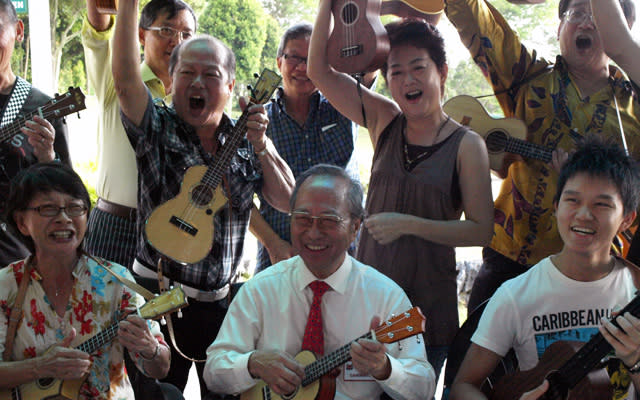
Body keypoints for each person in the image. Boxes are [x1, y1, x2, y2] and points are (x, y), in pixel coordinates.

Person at [111, 0, 295, 396]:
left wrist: (261, 144)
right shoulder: (157, 127)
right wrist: (128, 6)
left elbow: (287, 199)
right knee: (157, 393)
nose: (197, 83)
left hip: (220, 304)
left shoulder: (247, 141)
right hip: (156, 296)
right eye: (187, 73)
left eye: (210, 75)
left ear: (230, 87)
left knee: (225, 392)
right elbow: (126, 80)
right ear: (171, 81)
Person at [307, 8, 494, 383]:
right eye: (396, 71)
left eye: (418, 67)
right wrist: (327, 5)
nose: (407, 79)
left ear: (441, 72)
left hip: (425, 312)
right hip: (365, 303)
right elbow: (319, 72)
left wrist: (408, 225)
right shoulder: (384, 119)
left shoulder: (467, 145)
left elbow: (480, 230)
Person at [445, 0, 640, 315]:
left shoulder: (634, 108)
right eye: (576, 14)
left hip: (589, 274)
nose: (586, 23)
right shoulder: (527, 77)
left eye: (596, 15)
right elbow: (477, 22)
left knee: (565, 364)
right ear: (560, 26)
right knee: (471, 356)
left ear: (621, 30)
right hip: (508, 260)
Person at [204, 164, 435, 400]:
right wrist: (252, 363)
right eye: (303, 219)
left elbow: (424, 389)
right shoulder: (260, 290)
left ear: (355, 227)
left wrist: (385, 368)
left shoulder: (386, 296)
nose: (313, 233)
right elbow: (213, 372)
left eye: (328, 221)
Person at [449, 137, 640, 400]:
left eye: (602, 204)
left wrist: (636, 362)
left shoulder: (635, 289)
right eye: (572, 200)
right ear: (556, 207)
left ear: (627, 220)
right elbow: (463, 386)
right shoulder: (516, 295)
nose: (583, 214)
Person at [0, 163, 171, 399]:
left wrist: (150, 349)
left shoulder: (116, 281)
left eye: (74, 208)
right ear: (21, 223)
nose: (63, 218)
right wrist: (41, 367)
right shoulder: (5, 285)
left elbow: (160, 369)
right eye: (48, 209)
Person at [250, 22, 373, 272]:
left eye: (312, 59)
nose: (303, 68)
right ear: (278, 62)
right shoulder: (258, 123)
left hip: (344, 254)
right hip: (281, 253)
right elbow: (236, 196)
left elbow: (369, 62)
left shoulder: (343, 106)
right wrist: (272, 243)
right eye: (294, 57)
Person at [82, 0, 196, 269]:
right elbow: (98, 29)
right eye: (166, 30)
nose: (177, 42)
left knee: (165, 311)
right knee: (102, 308)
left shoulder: (195, 99)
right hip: (114, 227)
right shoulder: (115, 79)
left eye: (186, 34)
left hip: (171, 232)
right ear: (141, 35)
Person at [0, 0, 72, 268]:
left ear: (18, 30)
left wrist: (48, 159)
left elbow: (70, 195)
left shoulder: (42, 108)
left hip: (18, 263)